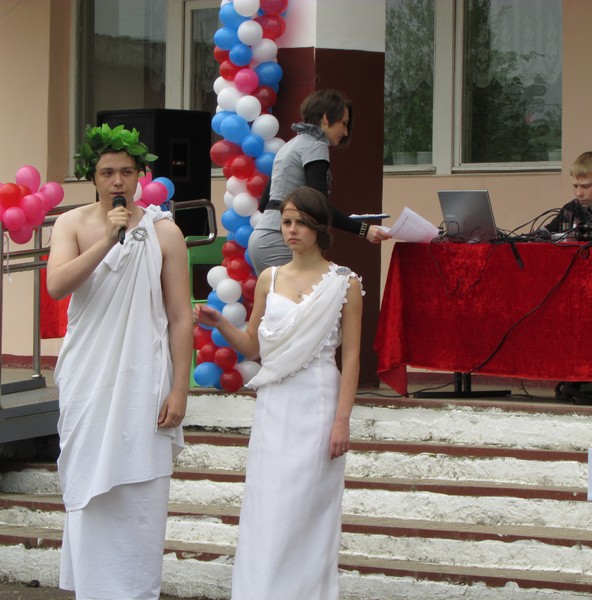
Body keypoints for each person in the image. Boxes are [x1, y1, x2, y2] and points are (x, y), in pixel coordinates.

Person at [46, 123, 193, 599]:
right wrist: (108, 240)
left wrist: (180, 388)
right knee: (90, 489)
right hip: (89, 376)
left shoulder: (165, 232)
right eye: (107, 172)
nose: (117, 181)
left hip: (143, 380)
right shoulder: (71, 224)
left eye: (126, 172)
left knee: (139, 498)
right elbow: (57, 285)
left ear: (139, 177)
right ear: (93, 177)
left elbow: (180, 317)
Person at [195, 186, 363, 600]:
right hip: (275, 403)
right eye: (287, 221)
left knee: (309, 506)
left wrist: (342, 420)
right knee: (269, 504)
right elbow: (253, 346)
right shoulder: (269, 279)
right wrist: (221, 323)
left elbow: (352, 358)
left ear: (320, 227)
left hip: (318, 401)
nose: (292, 229)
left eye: (301, 222)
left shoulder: (345, 283)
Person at [248, 88, 390, 274]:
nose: (345, 132)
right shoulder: (315, 147)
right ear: (326, 119)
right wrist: (364, 230)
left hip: (262, 238)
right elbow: (318, 205)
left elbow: (265, 203)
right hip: (281, 241)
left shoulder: (290, 146)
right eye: (343, 123)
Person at [544, 151, 592, 233]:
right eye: (575, 186)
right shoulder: (570, 209)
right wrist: (538, 233)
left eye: (585, 186)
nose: (579, 193)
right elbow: (547, 232)